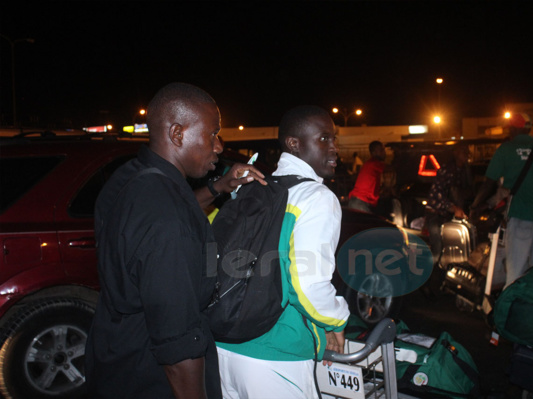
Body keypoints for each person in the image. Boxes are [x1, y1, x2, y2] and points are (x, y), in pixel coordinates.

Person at [85, 82, 265, 399]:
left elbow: (174, 211)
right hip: (151, 378)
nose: (220, 146)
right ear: (178, 134)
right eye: (212, 134)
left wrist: (219, 187)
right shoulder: (167, 220)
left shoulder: (132, 178)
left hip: (115, 358)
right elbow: (178, 345)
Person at [216, 105, 350, 398]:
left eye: (334, 139)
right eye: (324, 139)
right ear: (294, 144)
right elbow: (307, 284)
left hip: (222, 349)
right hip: (275, 354)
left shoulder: (252, 188)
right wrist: (335, 319)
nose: (335, 149)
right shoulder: (316, 197)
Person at [470, 113, 533, 288]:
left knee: (515, 269)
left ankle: (510, 308)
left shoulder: (507, 149)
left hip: (520, 213)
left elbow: (488, 182)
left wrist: (475, 206)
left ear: (515, 128)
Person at [424, 142, 473, 264]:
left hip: (448, 215)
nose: (467, 154)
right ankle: (430, 277)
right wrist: (453, 207)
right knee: (438, 250)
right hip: (436, 214)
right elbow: (437, 194)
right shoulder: (446, 170)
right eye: (463, 150)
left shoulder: (463, 170)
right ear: (455, 153)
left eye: (467, 151)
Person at [347, 140, 387, 213]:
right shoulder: (375, 164)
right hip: (361, 203)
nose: (384, 152)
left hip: (358, 201)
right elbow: (391, 170)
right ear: (374, 152)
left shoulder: (370, 163)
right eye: (381, 150)